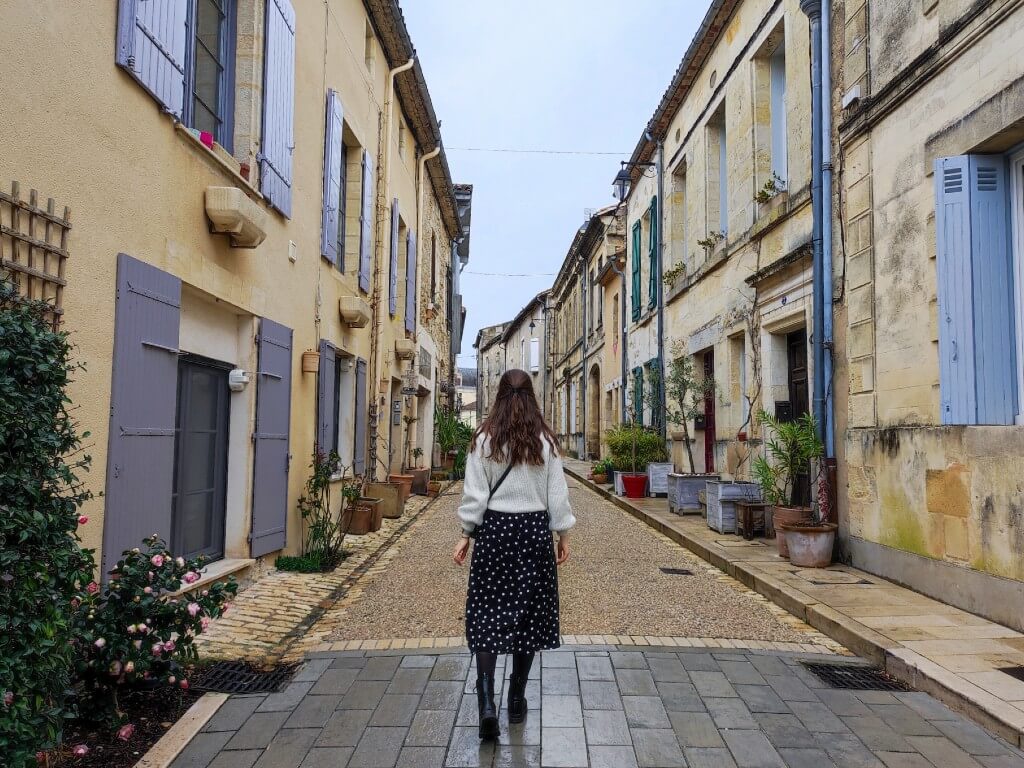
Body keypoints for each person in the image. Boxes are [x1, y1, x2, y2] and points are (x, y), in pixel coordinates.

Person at [453, 368, 576, 741]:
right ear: (532, 396)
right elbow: (557, 495)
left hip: (495, 534)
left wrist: (465, 534)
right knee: (530, 617)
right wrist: (563, 534)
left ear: (499, 395)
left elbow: (474, 495)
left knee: (488, 614)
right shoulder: (546, 441)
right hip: (534, 535)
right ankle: (517, 697)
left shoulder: (484, 438)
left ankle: (487, 703)